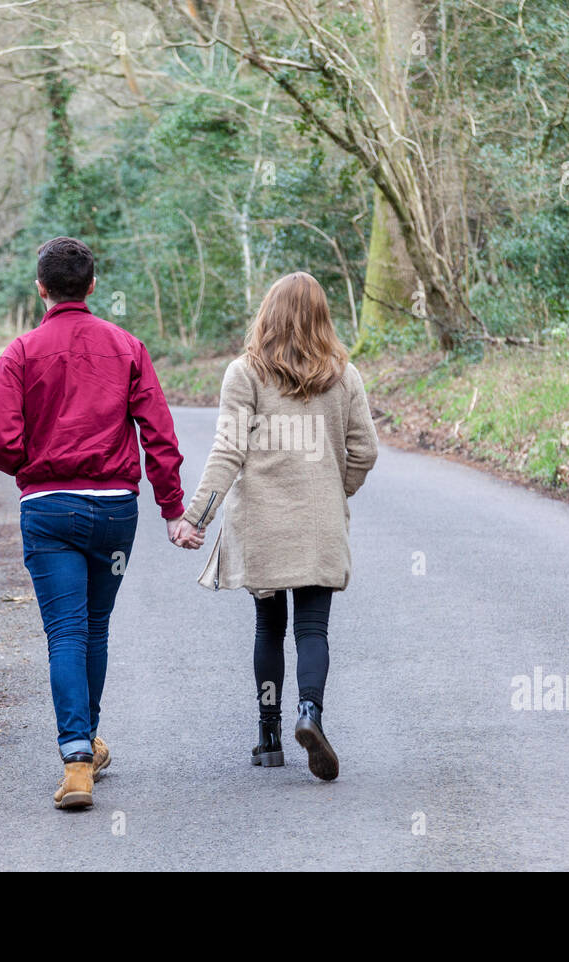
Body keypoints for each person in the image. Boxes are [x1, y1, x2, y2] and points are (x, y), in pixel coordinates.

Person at [0, 236, 202, 811]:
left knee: (66, 633)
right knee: (94, 628)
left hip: (49, 508)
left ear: (41, 288)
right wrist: (172, 507)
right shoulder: (126, 346)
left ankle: (77, 757)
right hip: (113, 511)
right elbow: (159, 435)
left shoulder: (20, 353)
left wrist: (26, 467)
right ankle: (87, 744)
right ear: (93, 286)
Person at [170, 272, 378, 781]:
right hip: (318, 523)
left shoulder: (245, 373)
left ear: (268, 314)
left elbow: (227, 451)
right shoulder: (344, 375)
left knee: (269, 626)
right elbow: (365, 450)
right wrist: (338, 489)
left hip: (260, 524)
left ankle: (268, 735)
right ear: (322, 317)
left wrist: (195, 516)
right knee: (313, 628)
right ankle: (311, 714)